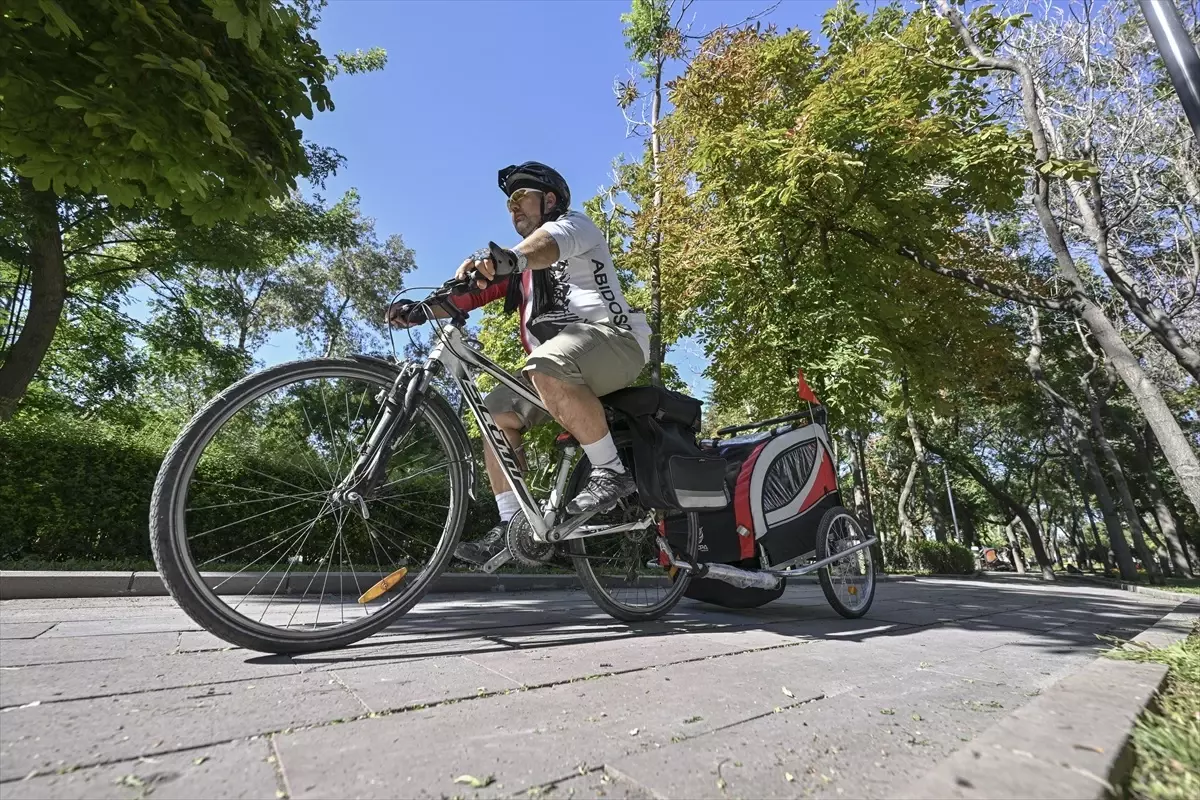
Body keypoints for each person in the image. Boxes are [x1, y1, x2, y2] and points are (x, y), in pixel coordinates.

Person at [386, 162, 651, 566]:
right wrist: (421, 311)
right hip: (561, 367)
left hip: (617, 344)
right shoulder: (520, 272)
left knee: (543, 363)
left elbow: (540, 248)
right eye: (507, 205)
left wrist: (504, 258)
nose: (512, 210)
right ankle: (512, 526)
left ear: (548, 200)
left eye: (518, 198)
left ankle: (612, 472)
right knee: (495, 415)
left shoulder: (574, 227)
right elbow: (471, 295)